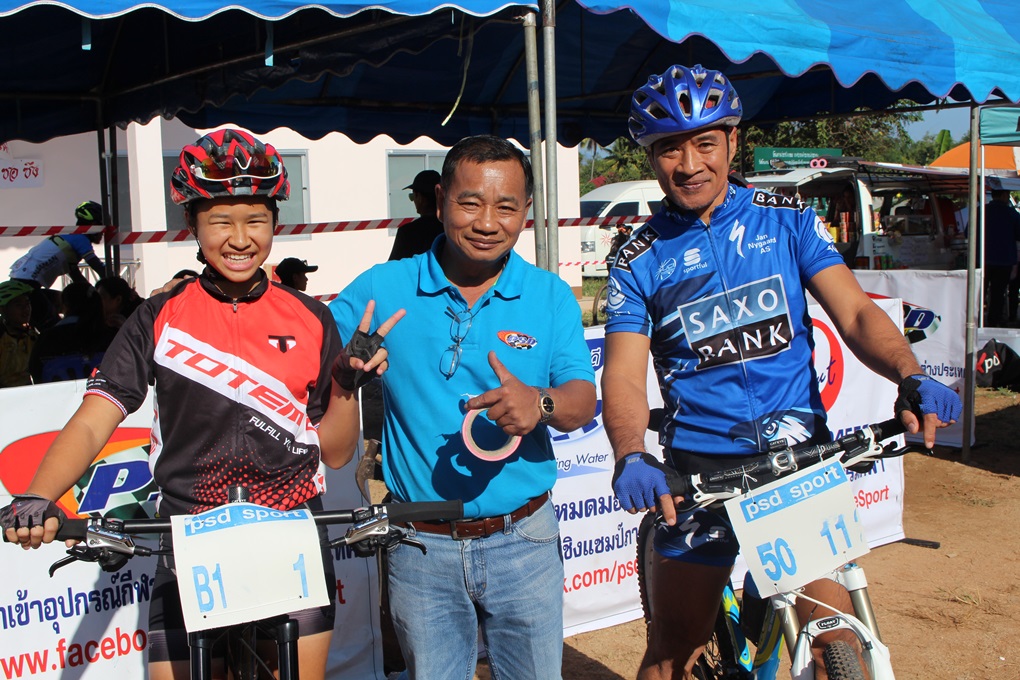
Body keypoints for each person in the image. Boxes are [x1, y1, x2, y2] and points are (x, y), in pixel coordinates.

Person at [601, 65, 963, 680]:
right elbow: (625, 375)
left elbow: (855, 313)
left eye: (705, 143)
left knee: (834, 641)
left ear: (732, 141)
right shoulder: (639, 257)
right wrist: (630, 451)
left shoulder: (787, 218)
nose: (688, 165)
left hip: (798, 464)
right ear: (651, 157)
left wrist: (910, 374)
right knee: (672, 653)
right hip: (702, 474)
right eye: (668, 149)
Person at [1, 128, 400, 680]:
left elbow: (334, 453)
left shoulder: (311, 317)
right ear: (192, 224)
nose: (240, 238)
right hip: (189, 534)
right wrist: (37, 496)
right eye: (220, 221)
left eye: (255, 220)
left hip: (289, 531)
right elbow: (94, 421)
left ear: (274, 223)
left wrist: (346, 386)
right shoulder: (158, 317)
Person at [329, 135, 596, 679]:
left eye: (506, 207)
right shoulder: (383, 286)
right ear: (439, 201)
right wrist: (345, 364)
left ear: (527, 210)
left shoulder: (549, 295)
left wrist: (540, 402)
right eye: (469, 203)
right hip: (419, 547)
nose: (487, 223)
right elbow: (311, 358)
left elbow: (582, 402)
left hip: (525, 538)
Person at [9, 200, 108, 330]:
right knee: (53, 325)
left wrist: (91, 293)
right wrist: (114, 285)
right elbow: (98, 267)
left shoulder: (69, 236)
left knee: (63, 301)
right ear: (94, 226)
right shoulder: (80, 238)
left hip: (22, 279)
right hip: (27, 283)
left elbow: (77, 277)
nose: (103, 233)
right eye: (102, 228)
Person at [29, 281, 116, 383]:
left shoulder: (46, 339)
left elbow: (36, 373)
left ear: (65, 306)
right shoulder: (112, 336)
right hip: (104, 392)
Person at [388, 169, 445, 261]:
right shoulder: (450, 228)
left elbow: (394, 266)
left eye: (412, 196)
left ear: (420, 198)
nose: (413, 201)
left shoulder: (407, 233)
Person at [983, 189, 1020, 326]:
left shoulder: (981, 211)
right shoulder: (1012, 213)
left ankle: (975, 319)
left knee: (979, 293)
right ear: (1004, 195)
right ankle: (993, 322)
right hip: (1004, 260)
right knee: (998, 294)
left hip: (982, 259)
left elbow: (968, 232)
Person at [0, 280, 38, 387]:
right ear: (3, 309)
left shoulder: (32, 336)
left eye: (27, 303)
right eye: (18, 305)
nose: (26, 309)